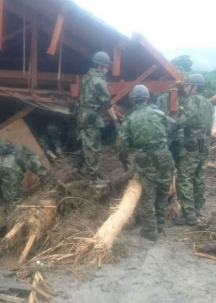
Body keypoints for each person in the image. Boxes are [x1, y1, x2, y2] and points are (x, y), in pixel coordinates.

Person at [117, 85, 173, 241]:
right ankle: (160, 224)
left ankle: (150, 229)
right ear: (147, 99)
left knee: (148, 194)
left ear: (132, 100)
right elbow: (170, 134)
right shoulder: (160, 114)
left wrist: (123, 158)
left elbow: (122, 145)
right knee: (163, 192)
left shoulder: (129, 119)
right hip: (165, 156)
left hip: (147, 158)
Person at [73, 52, 120, 185]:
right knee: (93, 147)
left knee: (83, 144)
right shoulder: (99, 80)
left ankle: (75, 170)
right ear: (101, 66)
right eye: (107, 67)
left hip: (80, 115)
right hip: (90, 118)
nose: (107, 70)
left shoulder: (86, 77)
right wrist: (115, 120)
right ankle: (93, 179)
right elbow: (107, 103)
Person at [173, 73, 214, 226]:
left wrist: (173, 125)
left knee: (184, 179)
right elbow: (210, 127)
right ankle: (196, 209)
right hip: (205, 144)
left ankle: (189, 214)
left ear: (195, 87)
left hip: (191, 144)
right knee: (199, 178)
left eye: (187, 85)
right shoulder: (209, 104)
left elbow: (186, 120)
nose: (185, 88)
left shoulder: (191, 100)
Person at [0, 140, 48, 214]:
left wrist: (44, 175)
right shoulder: (10, 166)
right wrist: (44, 174)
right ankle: (13, 217)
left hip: (0, 165)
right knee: (14, 200)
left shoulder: (22, 150)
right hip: (7, 168)